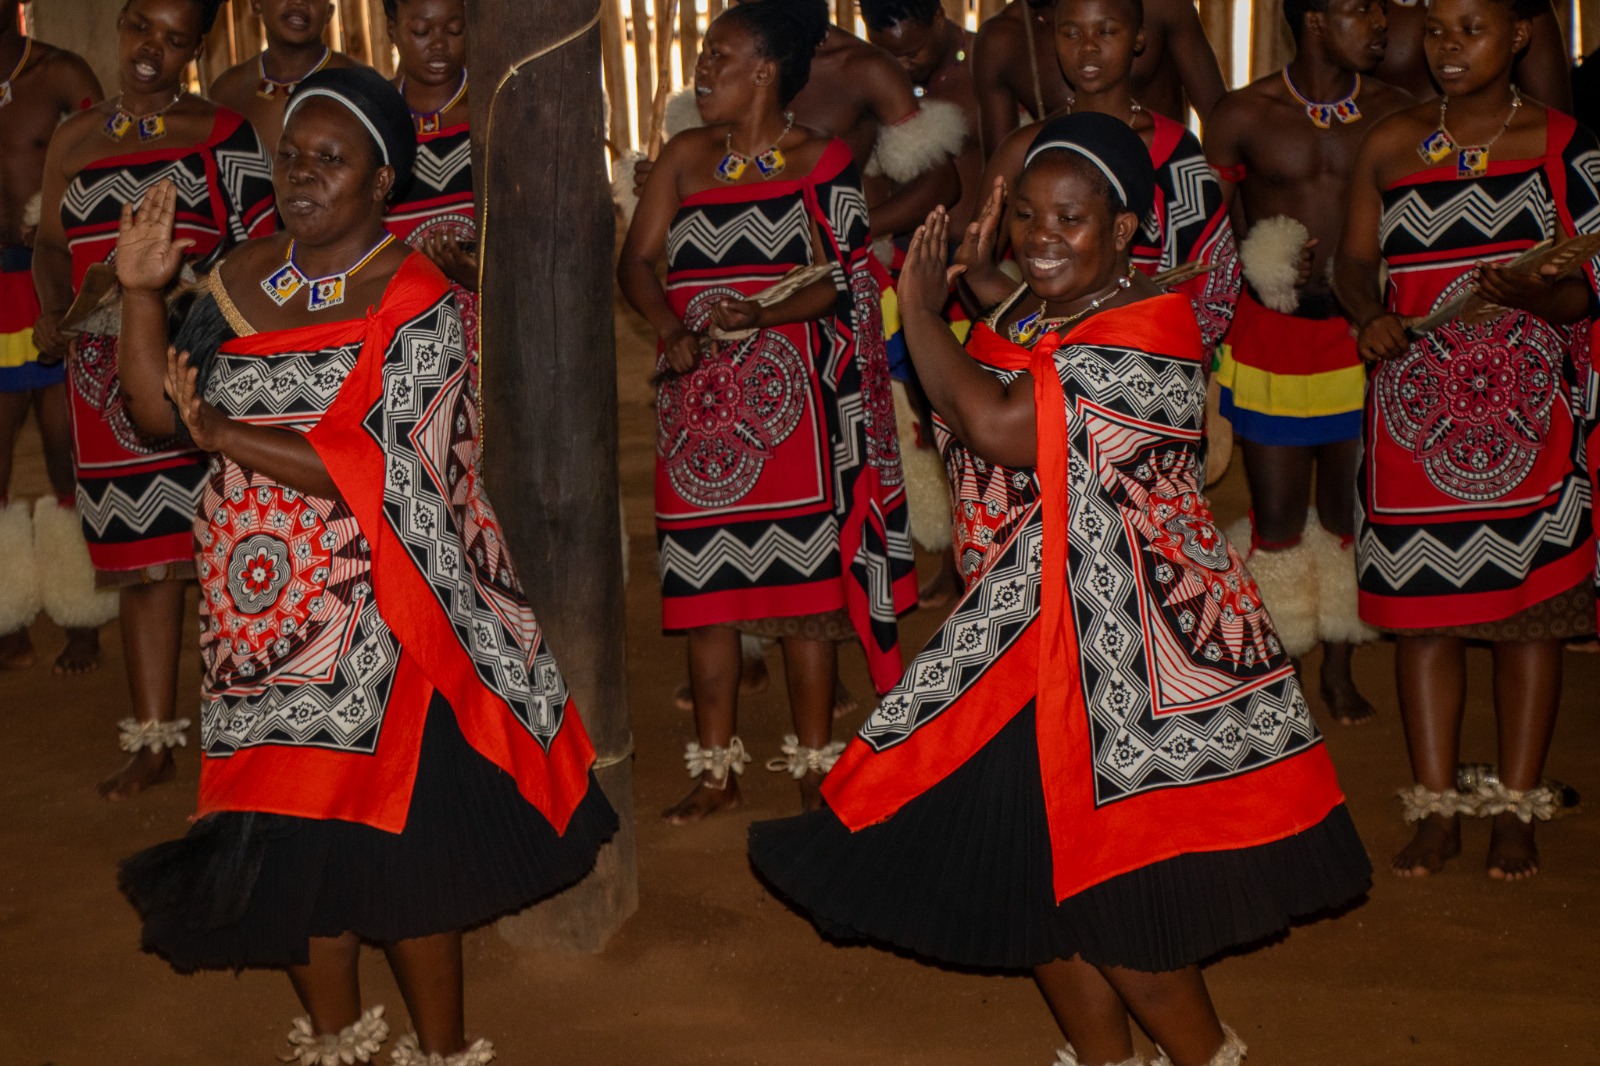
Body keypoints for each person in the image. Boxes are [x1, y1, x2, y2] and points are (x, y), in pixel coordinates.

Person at [750, 114, 1371, 1066]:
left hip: (1126, 655)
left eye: (1071, 220)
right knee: (1032, 884)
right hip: (1023, 634)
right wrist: (967, 264)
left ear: (1125, 232)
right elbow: (1011, 324)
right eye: (1029, 215)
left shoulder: (1151, 331)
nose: (1041, 237)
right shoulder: (1051, 305)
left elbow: (998, 421)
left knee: (1128, 919)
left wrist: (920, 308)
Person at [113, 68, 616, 1065]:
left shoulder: (415, 295)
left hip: (384, 612)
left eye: (329, 160)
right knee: (287, 841)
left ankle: (440, 1049)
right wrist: (136, 296)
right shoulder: (235, 276)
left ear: (382, 181)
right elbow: (152, 411)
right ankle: (335, 1038)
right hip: (255, 623)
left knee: (399, 856)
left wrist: (231, 434)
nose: (302, 174)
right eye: (292, 154)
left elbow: (400, 464)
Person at [618, 1, 916, 824]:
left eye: (720, 56)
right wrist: (672, 326)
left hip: (797, 423)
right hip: (697, 415)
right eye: (703, 55)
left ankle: (815, 766)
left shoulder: (824, 161)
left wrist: (768, 317)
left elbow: (850, 275)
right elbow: (636, 261)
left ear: (765, 70)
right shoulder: (683, 158)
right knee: (706, 594)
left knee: (804, 603)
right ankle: (717, 772)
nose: (702, 70)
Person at [1334, 0, 1599, 880]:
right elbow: (1350, 259)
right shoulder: (1390, 140)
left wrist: (1533, 298)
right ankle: (1437, 805)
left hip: (1527, 423)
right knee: (1425, 626)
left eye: (1472, 29)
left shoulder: (1565, 145)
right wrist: (1369, 311)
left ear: (1521, 32)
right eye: (1438, 31)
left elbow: (1587, 292)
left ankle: (1515, 808)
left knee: (1532, 626)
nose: (1449, 48)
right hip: (1416, 428)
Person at [31, 0, 277, 799]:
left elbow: (262, 250)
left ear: (195, 51)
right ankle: (154, 739)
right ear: (122, 25)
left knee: (228, 555)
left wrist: (191, 305)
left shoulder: (221, 134)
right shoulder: (73, 140)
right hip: (101, 383)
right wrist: (54, 315)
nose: (151, 52)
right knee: (143, 569)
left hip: (195, 367)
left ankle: (254, 738)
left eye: (174, 41)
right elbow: (47, 247)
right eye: (142, 28)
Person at [1204, 0, 1411, 726]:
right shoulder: (1242, 114)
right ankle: (1281, 666)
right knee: (1279, 519)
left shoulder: (1399, 111)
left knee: (1348, 513)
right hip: (1274, 340)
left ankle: (1340, 666)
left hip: (1362, 337)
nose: (1382, 22)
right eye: (1363, 10)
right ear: (1316, 18)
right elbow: (1215, 234)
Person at [966, 0, 1240, 355]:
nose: (1089, 46)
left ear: (1139, 38)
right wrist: (1035, 336)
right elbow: (974, 264)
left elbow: (1216, 275)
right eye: (1071, 33)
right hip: (1041, 358)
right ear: (1054, 39)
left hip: (1158, 357)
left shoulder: (1175, 149)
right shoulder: (1025, 149)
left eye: (1107, 31)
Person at [0, 0, 108, 674]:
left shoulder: (63, 74)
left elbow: (105, 162)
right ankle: (6, 612)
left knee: (69, 449)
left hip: (48, 279)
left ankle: (82, 613)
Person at [971, 0, 1226, 157]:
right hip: (1073, 211)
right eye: (1071, 34)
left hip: (1165, 196)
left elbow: (1221, 123)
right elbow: (1002, 186)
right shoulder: (1002, 40)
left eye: (1106, 33)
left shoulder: (1158, 7)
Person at [382, 0, 479, 354]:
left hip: (486, 324)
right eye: (422, 31)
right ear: (392, 29)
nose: (439, 44)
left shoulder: (493, 114)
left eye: (454, 30)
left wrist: (481, 277)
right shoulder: (370, 120)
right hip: (393, 321)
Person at [207, 0, 361, 151]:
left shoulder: (359, 88)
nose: (299, 2)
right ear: (256, 4)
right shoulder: (226, 91)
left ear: (329, 13)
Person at [1373, 0, 1570, 111]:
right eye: (1433, 31)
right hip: (1388, 163)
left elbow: (1553, 119)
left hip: (1498, 157)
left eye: (1472, 29)